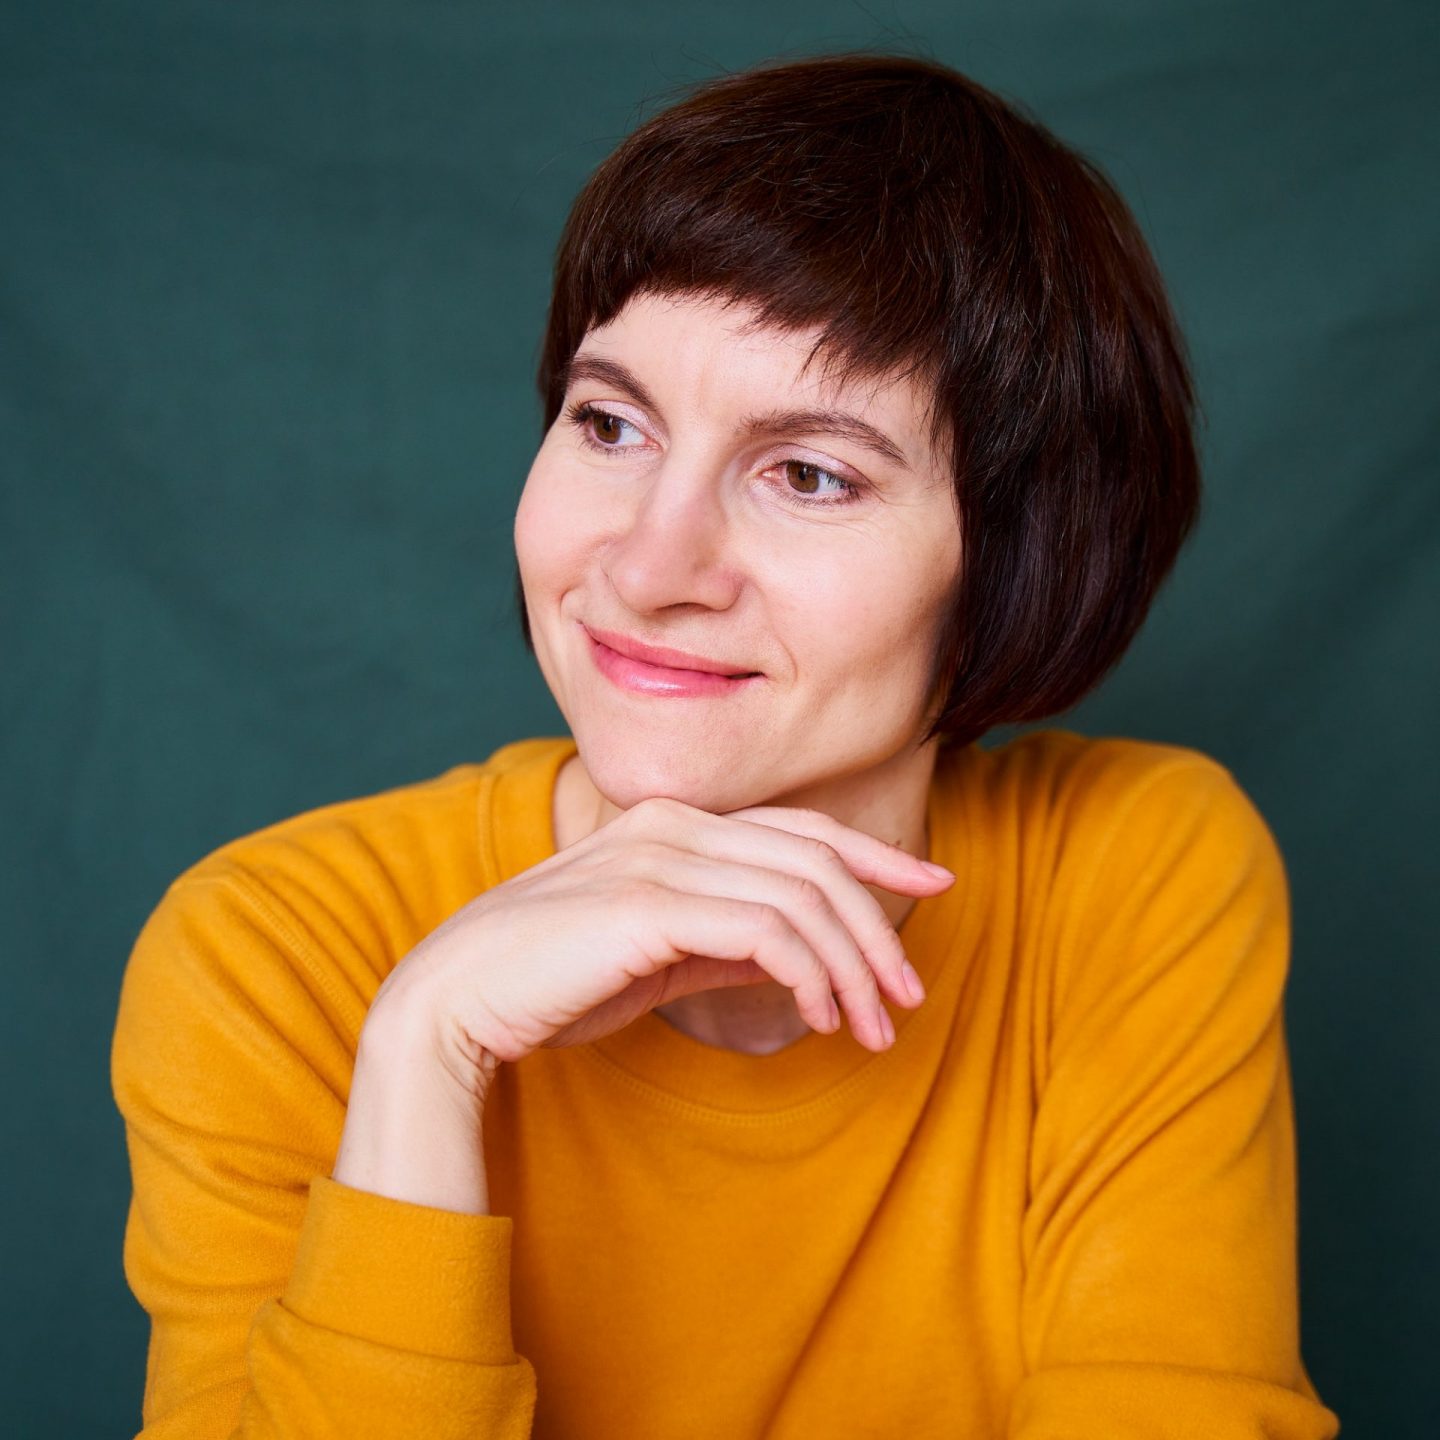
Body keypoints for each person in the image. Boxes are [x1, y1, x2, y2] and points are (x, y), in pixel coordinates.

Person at [110, 51, 1341, 1439]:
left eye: (809, 473)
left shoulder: (1129, 873)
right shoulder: (269, 955)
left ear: (1017, 565)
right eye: (609, 423)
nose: (647, 568)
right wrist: (426, 1052)